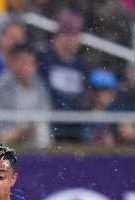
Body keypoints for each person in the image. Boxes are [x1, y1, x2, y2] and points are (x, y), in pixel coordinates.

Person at [37, 12, 89, 142]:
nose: (76, 40)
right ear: (60, 36)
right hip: (52, 126)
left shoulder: (81, 66)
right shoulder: (44, 60)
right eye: (72, 35)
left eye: (77, 35)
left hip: (75, 128)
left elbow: (84, 97)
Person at [0, 44, 52, 147]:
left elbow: (45, 114)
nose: (28, 68)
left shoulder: (39, 85)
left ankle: (44, 159)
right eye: (24, 63)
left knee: (42, 128)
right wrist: (19, 133)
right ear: (13, 63)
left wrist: (28, 130)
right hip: (5, 135)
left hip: (32, 134)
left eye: (32, 63)